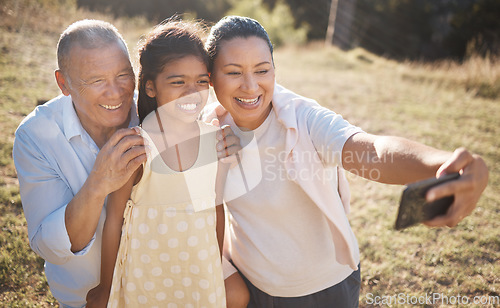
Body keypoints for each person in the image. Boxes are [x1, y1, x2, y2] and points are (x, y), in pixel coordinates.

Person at [204, 16, 489, 307]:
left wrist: (446, 164)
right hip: (254, 286)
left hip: (326, 287)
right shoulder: (207, 128)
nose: (251, 86)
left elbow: (373, 151)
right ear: (211, 79)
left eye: (262, 70)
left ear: (274, 71)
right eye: (234, 72)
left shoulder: (304, 119)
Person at [12, 19, 239, 308]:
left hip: (185, 275)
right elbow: (51, 247)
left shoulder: (157, 111)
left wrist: (223, 142)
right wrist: (97, 184)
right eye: (97, 80)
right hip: (101, 294)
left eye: (122, 75)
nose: (116, 92)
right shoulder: (37, 136)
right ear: (63, 84)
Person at [85, 20, 249, 308]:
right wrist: (106, 286)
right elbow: (113, 221)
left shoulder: (215, 141)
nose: (193, 92)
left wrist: (216, 264)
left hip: (200, 272)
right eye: (178, 82)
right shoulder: (138, 147)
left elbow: (216, 208)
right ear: (150, 87)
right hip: (146, 276)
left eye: (201, 81)